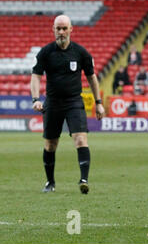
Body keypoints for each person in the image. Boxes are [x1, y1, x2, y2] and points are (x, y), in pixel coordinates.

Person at [30, 15, 105, 194]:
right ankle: (50, 182)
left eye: (64, 28)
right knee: (50, 144)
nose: (61, 32)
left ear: (71, 29)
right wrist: (35, 99)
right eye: (58, 28)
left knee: (80, 139)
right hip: (53, 103)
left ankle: (83, 180)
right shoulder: (45, 53)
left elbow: (92, 78)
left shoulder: (81, 53)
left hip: (74, 102)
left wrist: (99, 102)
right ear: (53, 30)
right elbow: (36, 76)